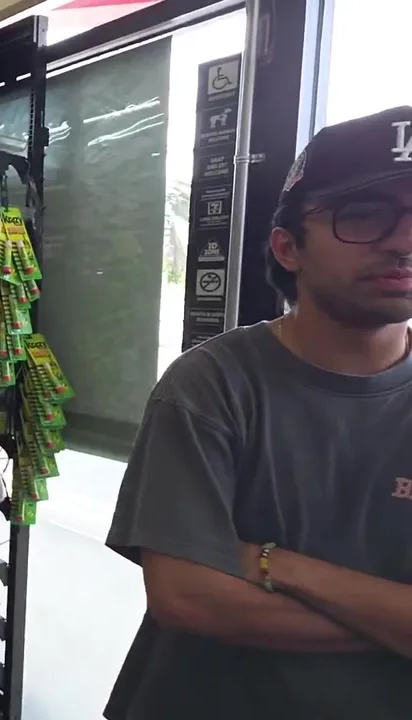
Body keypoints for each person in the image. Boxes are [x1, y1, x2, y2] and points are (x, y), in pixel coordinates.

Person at [105, 105, 412, 719]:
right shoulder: (211, 385)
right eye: (364, 215)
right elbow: (188, 598)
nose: (403, 243)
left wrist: (275, 564)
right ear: (288, 247)